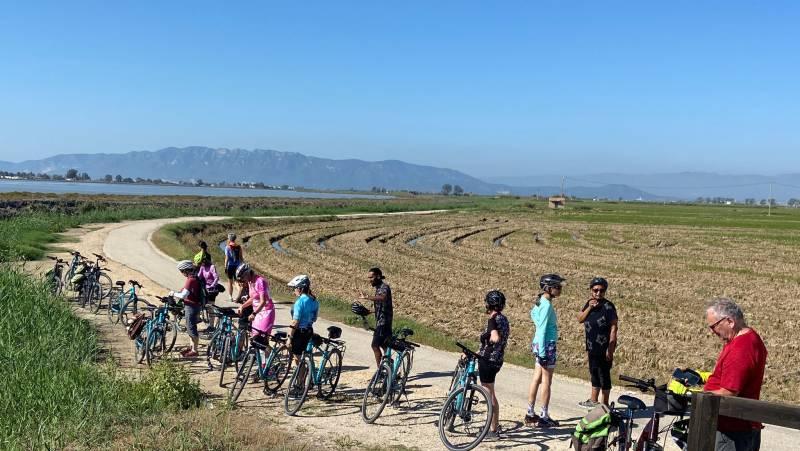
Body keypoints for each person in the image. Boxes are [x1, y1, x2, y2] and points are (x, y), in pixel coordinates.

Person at [704, 298, 767, 451]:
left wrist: (695, 396)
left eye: (714, 326)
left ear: (730, 321)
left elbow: (729, 392)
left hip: (732, 431)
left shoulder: (741, 348)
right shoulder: (749, 338)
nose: (712, 332)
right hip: (740, 427)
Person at [525, 273, 563, 428]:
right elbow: (541, 329)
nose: (560, 289)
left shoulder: (541, 300)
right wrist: (542, 353)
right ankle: (544, 416)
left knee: (536, 378)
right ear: (549, 288)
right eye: (557, 286)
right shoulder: (547, 305)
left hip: (539, 343)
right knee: (547, 381)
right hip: (546, 345)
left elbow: (532, 313)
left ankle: (530, 413)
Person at [577, 277, 618, 408]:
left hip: (604, 348)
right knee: (594, 372)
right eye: (595, 290)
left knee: (604, 374)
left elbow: (614, 327)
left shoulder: (608, 306)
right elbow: (580, 319)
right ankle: (593, 400)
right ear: (591, 290)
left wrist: (610, 348)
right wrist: (589, 307)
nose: (598, 293)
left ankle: (604, 404)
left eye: (602, 290)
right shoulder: (589, 303)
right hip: (591, 346)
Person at [478, 290, 511, 439]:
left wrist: (493, 337)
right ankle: (494, 427)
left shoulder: (493, 320)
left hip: (488, 361)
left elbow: (495, 337)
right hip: (497, 360)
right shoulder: (503, 319)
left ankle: (492, 430)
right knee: (491, 392)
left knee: (488, 394)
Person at [358, 267, 393, 368]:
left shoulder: (384, 287)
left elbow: (382, 298)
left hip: (383, 323)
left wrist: (367, 297)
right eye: (368, 277)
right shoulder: (379, 288)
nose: (369, 280)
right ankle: (390, 369)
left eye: (371, 277)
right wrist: (369, 311)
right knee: (384, 345)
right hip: (384, 322)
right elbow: (383, 306)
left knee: (375, 345)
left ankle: (380, 371)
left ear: (378, 276)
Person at [169, 259, 203, 357]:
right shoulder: (194, 277)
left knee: (192, 328)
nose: (181, 273)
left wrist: (173, 293)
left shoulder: (191, 279)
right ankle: (191, 347)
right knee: (190, 327)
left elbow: (184, 295)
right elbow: (186, 290)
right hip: (195, 305)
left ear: (185, 270)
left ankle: (195, 350)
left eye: (181, 271)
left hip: (191, 306)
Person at [234, 263, 275, 340]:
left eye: (242, 277)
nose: (242, 280)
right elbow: (253, 298)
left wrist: (253, 313)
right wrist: (242, 306)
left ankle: (265, 352)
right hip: (257, 312)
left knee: (262, 340)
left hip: (266, 312)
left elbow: (263, 301)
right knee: (254, 338)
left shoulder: (260, 281)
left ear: (247, 273)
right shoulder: (250, 282)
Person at [286, 275, 319, 363]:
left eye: (295, 288)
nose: (294, 291)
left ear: (300, 288)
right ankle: (306, 374)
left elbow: (295, 322)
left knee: (297, 360)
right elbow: (314, 319)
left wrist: (290, 337)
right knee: (302, 357)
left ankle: (301, 375)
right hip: (309, 331)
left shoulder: (299, 302)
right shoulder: (314, 301)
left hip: (299, 332)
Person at [195, 244, 220, 335]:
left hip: (213, 290)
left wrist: (212, 286)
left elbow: (216, 278)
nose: (203, 264)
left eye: (204, 262)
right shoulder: (202, 267)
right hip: (206, 289)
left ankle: (212, 326)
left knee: (210, 307)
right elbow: (199, 276)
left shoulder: (212, 267)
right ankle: (198, 317)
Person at [223, 232, 243, 300]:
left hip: (230, 266)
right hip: (237, 266)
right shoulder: (239, 246)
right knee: (237, 281)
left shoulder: (227, 247)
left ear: (229, 239)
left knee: (230, 282)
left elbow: (227, 258)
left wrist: (225, 267)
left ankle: (230, 297)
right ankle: (240, 292)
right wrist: (242, 265)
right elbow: (241, 257)